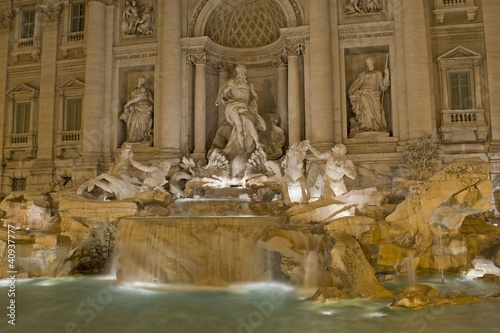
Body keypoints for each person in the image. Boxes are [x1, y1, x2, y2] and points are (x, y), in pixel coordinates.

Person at [215, 64, 266, 157]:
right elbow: (223, 91)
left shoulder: (249, 84)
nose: (241, 73)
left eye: (242, 71)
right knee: (239, 126)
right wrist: (218, 98)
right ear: (237, 72)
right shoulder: (232, 81)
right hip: (234, 105)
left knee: (249, 121)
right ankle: (242, 148)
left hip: (245, 106)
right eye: (239, 71)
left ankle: (257, 142)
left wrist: (254, 102)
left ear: (245, 72)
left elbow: (255, 96)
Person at [348, 57, 390, 135]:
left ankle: (376, 127)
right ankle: (366, 127)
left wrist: (387, 74)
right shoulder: (363, 73)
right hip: (364, 93)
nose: (368, 63)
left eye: (369, 62)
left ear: (373, 62)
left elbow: (382, 86)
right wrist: (352, 90)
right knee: (365, 110)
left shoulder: (378, 73)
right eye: (367, 62)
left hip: (374, 95)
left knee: (377, 111)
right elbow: (358, 83)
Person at [120, 76, 154, 143]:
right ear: (138, 80)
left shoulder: (143, 89)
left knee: (142, 124)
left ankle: (141, 138)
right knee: (133, 122)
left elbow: (139, 97)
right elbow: (134, 98)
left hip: (143, 108)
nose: (142, 82)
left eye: (143, 81)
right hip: (135, 108)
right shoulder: (134, 90)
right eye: (141, 80)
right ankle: (133, 139)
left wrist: (128, 103)